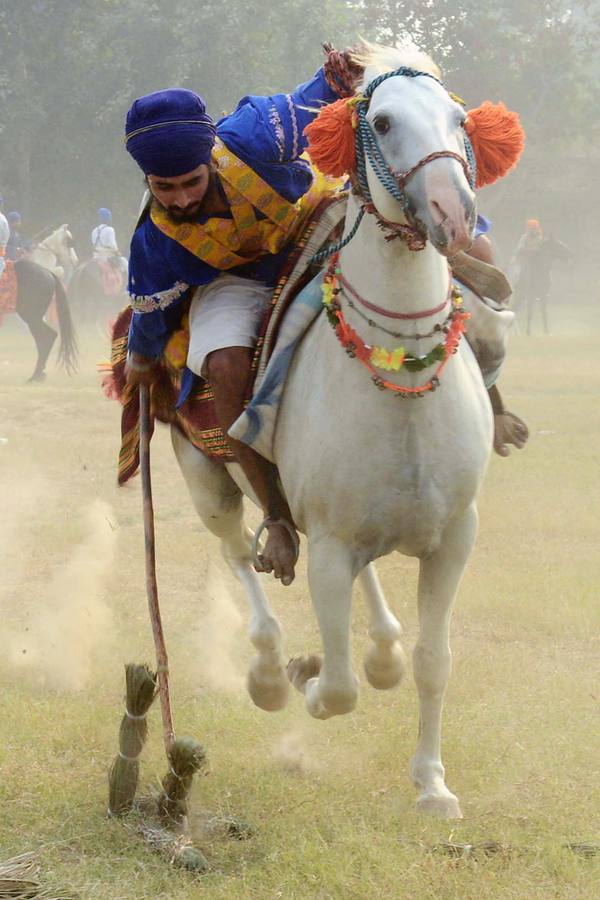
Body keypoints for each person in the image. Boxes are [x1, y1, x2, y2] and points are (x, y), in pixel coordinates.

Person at [123, 49, 358, 587]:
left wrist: (347, 75)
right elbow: (151, 316)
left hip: (316, 233)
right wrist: (139, 359)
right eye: (165, 188)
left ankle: (487, 394)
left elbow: (318, 97)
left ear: (209, 157)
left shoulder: (255, 134)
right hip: (236, 282)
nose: (180, 199)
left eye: (191, 182)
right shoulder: (152, 241)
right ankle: (275, 514)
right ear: (149, 182)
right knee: (225, 364)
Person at [91, 207, 128, 274]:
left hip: (96, 257)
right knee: (125, 262)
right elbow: (113, 246)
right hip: (107, 257)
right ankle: (132, 282)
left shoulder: (94, 231)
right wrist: (117, 252)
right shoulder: (110, 229)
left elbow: (94, 244)